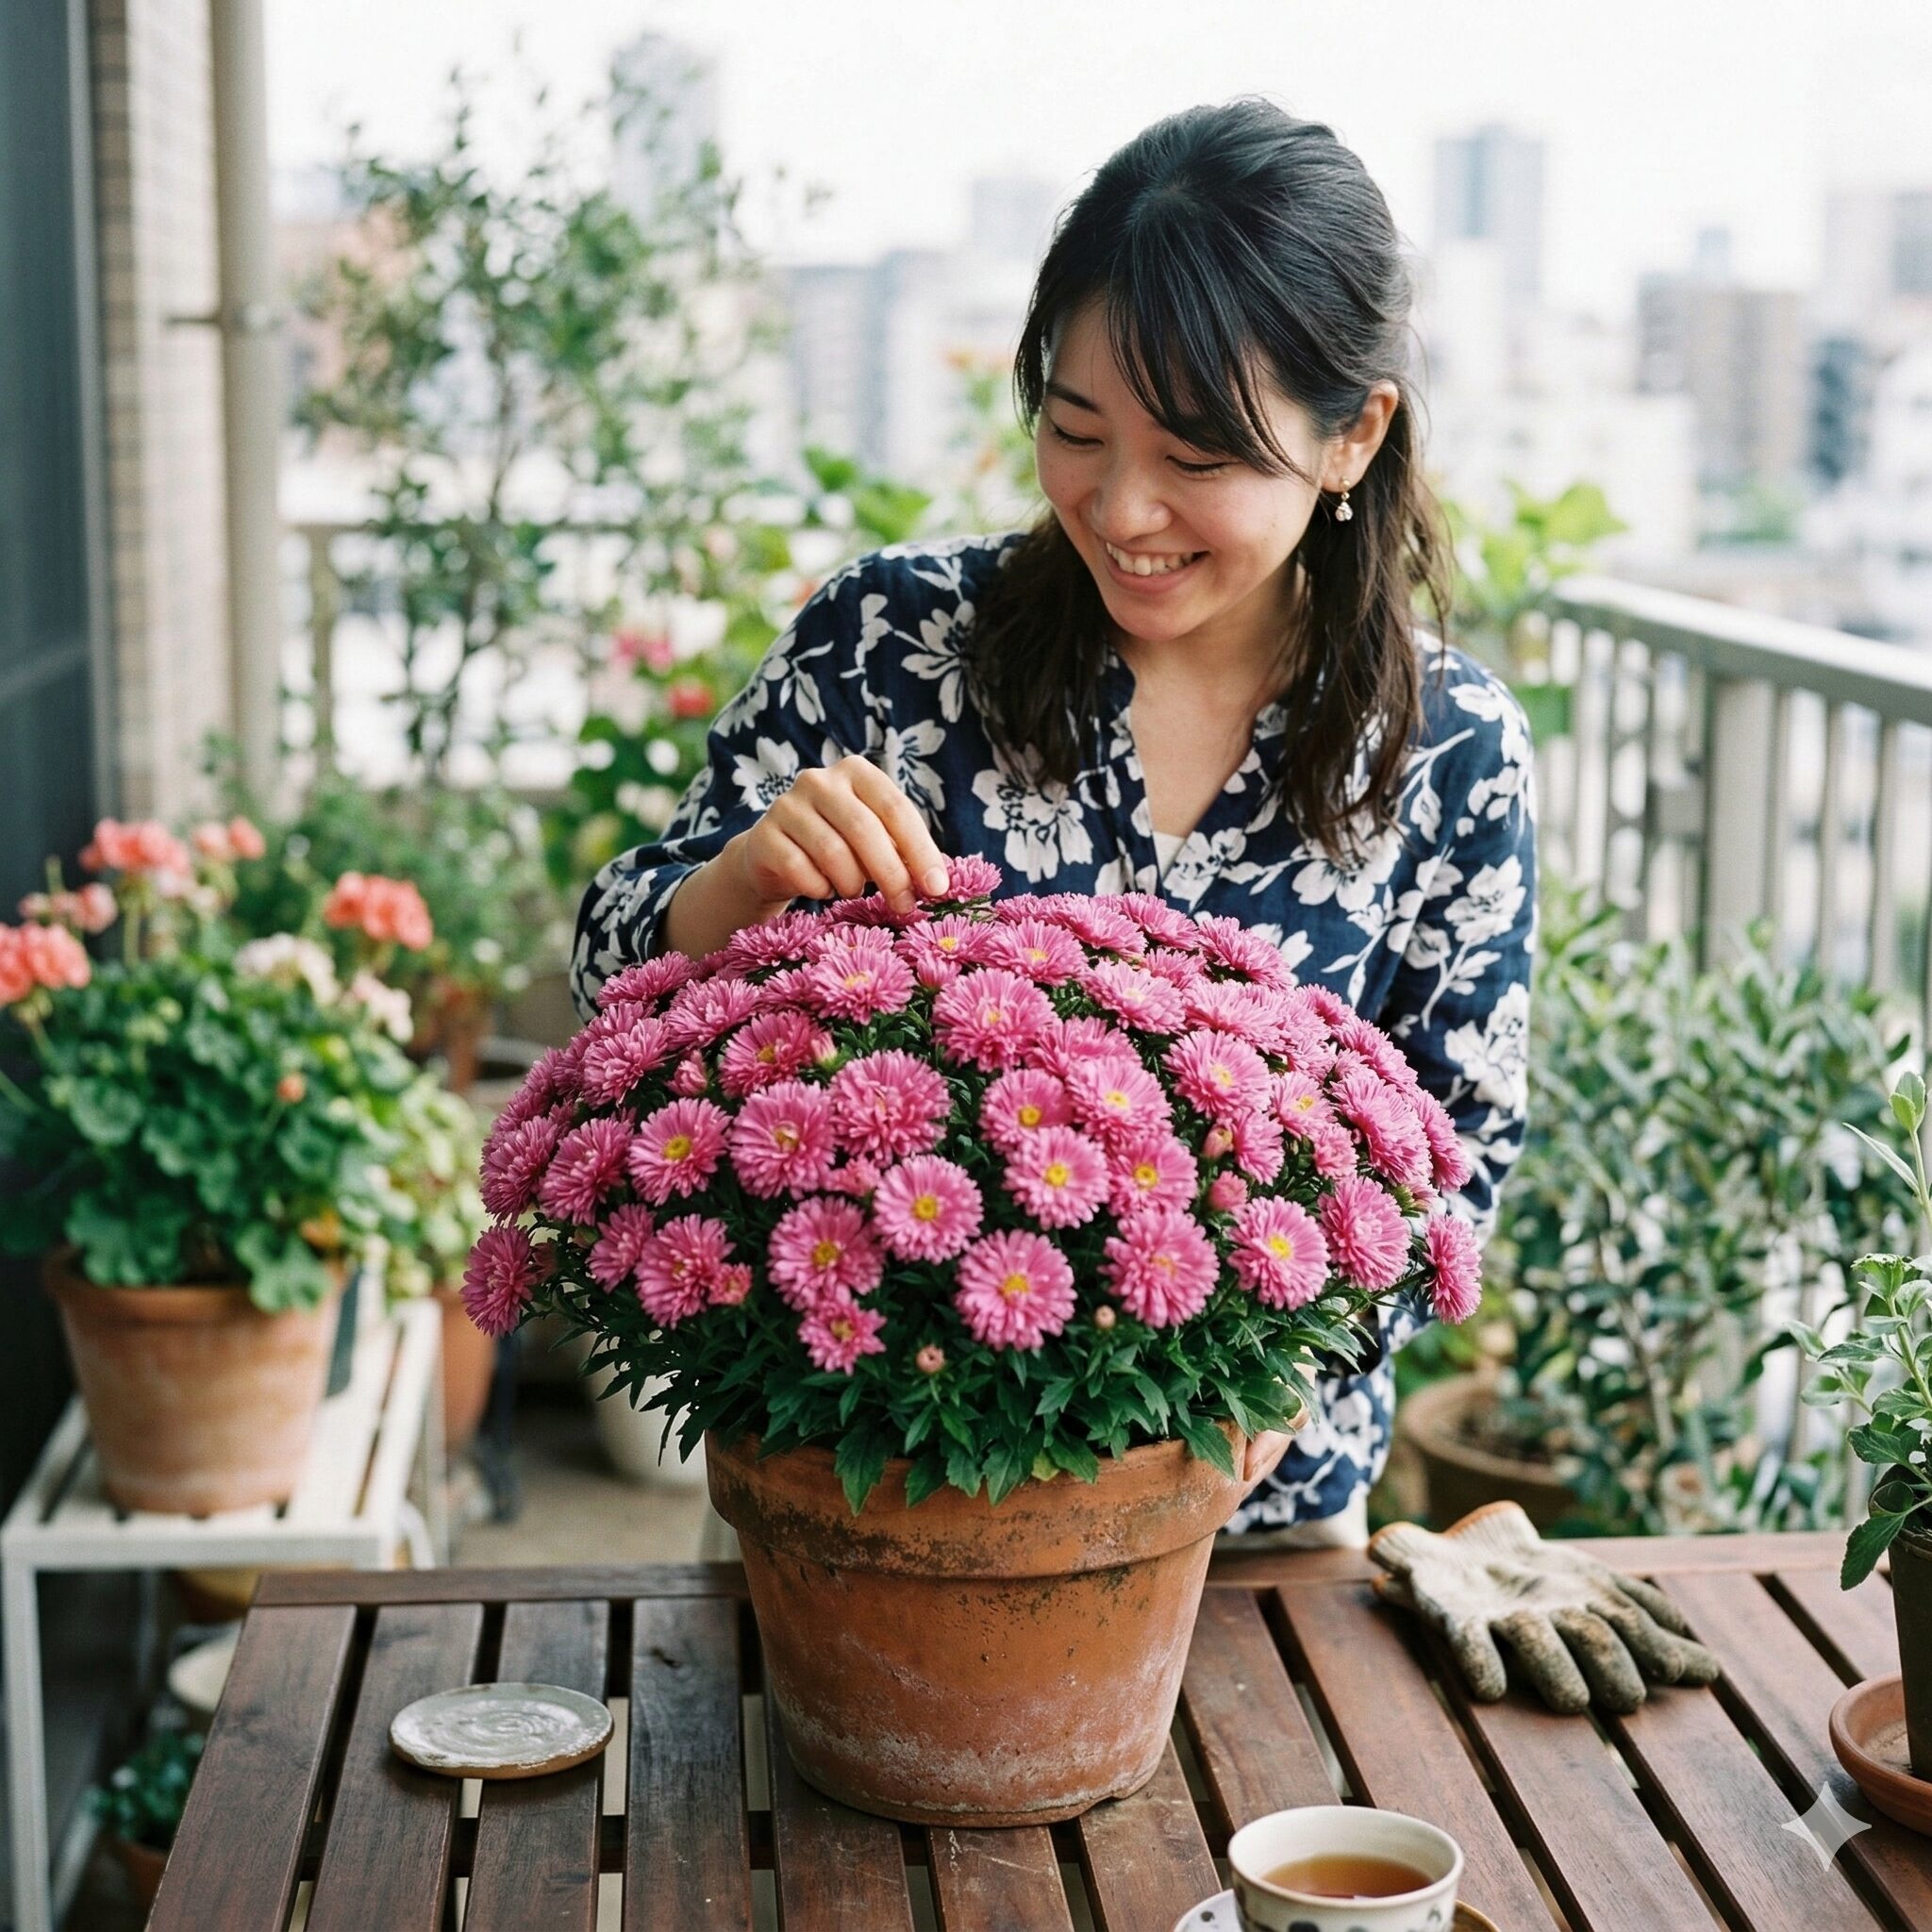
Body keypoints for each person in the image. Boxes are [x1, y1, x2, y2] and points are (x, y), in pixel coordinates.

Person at [573, 98, 1536, 1550]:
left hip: (1252, 1540)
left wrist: (1207, 1413)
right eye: (1076, 431)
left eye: (1200, 460)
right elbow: (609, 974)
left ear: (1352, 439)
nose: (1123, 507)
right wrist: (731, 889)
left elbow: (1453, 1172)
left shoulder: (1451, 754)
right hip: (869, 1498)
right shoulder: (887, 645)